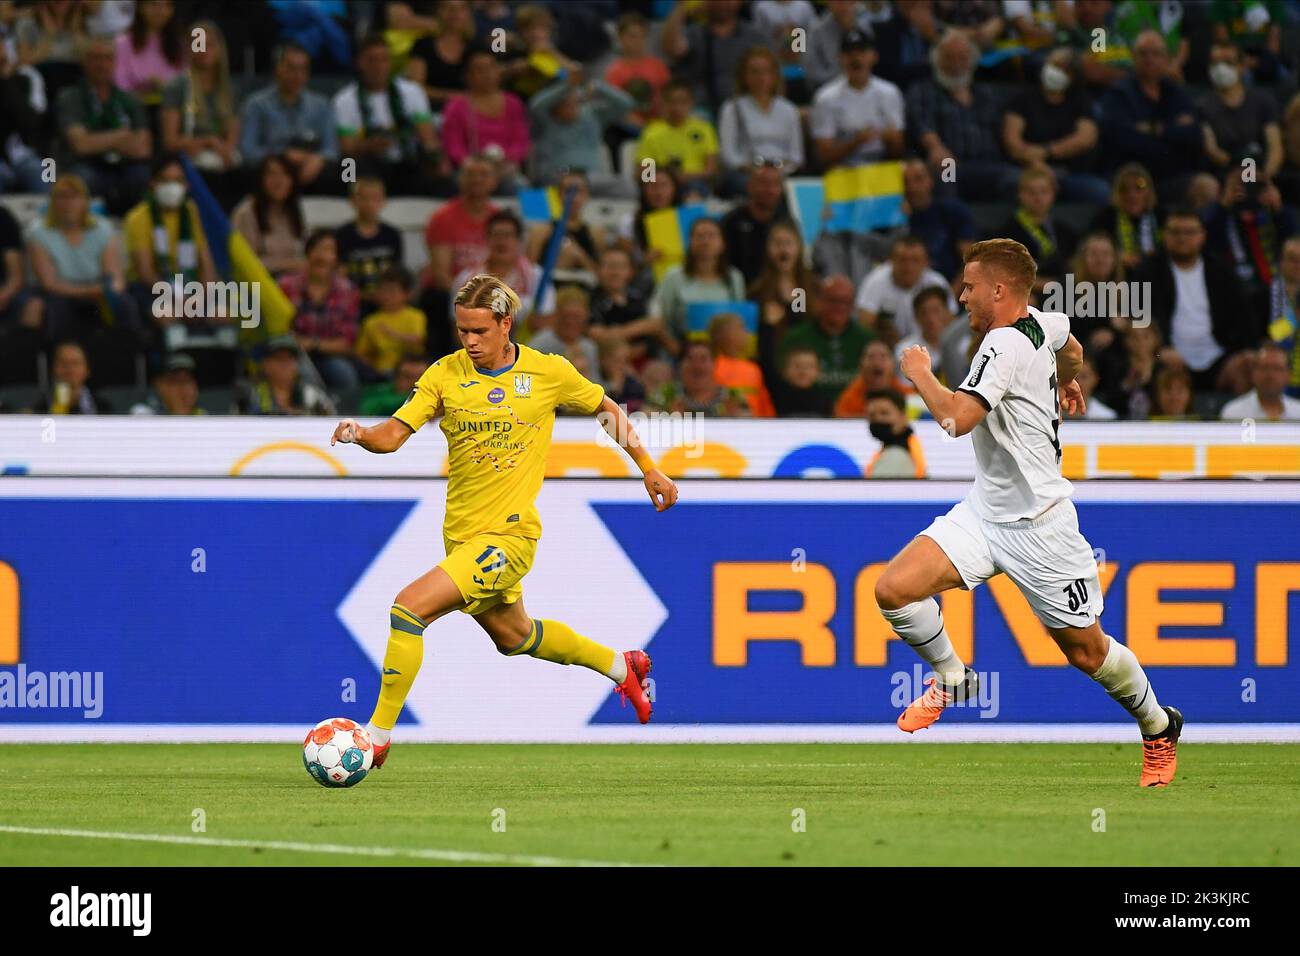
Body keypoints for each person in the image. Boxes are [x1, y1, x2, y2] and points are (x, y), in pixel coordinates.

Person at [329, 273, 679, 768]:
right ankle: (623, 666)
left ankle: (376, 737)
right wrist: (360, 434)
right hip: (463, 539)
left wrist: (649, 467)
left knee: (409, 609)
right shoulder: (443, 376)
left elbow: (604, 409)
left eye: (479, 331)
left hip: (510, 538)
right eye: (462, 331)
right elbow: (393, 434)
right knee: (516, 639)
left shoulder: (547, 372)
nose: (469, 341)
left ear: (505, 324)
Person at [878, 238, 1182, 787]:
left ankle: (1159, 727)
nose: (962, 295)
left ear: (999, 289)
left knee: (1088, 654)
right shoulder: (1042, 323)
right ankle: (954, 678)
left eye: (969, 286)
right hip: (984, 513)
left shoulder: (1002, 346)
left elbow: (955, 421)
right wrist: (1063, 378)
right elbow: (1074, 349)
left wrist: (918, 370)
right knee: (894, 589)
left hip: (1041, 528)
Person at [334, 34, 448, 197]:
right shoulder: (344, 100)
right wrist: (368, 147)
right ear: (360, 63)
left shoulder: (412, 92)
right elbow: (346, 148)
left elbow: (428, 137)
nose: (378, 66)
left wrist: (438, 159)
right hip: (369, 163)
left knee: (435, 163)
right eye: (372, 60)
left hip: (406, 160)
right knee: (348, 166)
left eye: (383, 59)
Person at [57, 38, 153, 216]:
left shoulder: (129, 99)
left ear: (115, 62)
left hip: (124, 165)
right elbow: (80, 145)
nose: (102, 64)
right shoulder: (70, 97)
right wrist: (122, 136)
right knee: (80, 179)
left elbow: (143, 148)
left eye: (107, 58)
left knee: (142, 176)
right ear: (84, 62)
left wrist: (97, 141)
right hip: (86, 165)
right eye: (95, 58)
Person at [159, 19, 241, 205]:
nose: (204, 49)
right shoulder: (178, 87)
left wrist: (225, 149)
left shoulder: (230, 89)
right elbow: (170, 141)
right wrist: (207, 142)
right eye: (199, 44)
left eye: (210, 44)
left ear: (220, 49)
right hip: (190, 156)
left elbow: (232, 138)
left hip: (220, 159)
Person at [239, 42, 339, 192]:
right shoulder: (256, 105)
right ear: (278, 69)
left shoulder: (322, 105)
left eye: (303, 69)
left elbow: (331, 149)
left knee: (346, 170)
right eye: (291, 68)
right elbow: (248, 151)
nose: (298, 75)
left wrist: (317, 159)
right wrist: (282, 156)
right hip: (270, 171)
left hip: (311, 170)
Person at [279, 230, 361, 391]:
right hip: (291, 355)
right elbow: (278, 330)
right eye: (318, 249)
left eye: (329, 250)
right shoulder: (286, 286)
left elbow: (347, 342)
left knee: (344, 374)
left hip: (331, 357)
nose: (322, 257)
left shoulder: (348, 290)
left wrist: (312, 344)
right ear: (308, 253)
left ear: (337, 258)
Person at [810, 30, 904, 170]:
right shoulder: (825, 98)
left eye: (862, 52)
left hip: (882, 168)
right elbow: (824, 156)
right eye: (849, 53)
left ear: (874, 56)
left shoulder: (890, 92)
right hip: (842, 171)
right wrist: (857, 141)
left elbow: (898, 151)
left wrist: (891, 140)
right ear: (839, 58)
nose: (856, 58)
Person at [440, 49, 531, 192]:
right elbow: (453, 144)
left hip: (506, 167)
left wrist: (509, 160)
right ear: (468, 76)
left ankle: (543, 214)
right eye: (480, 70)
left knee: (526, 189)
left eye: (491, 68)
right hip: (471, 168)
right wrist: (469, 163)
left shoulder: (514, 103)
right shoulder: (457, 106)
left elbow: (521, 140)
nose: (487, 74)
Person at [718, 46, 804, 192]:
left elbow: (796, 155)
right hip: (747, 173)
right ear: (744, 76)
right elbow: (728, 154)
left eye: (766, 71)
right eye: (754, 72)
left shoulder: (788, 109)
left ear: (774, 75)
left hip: (782, 172)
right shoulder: (732, 108)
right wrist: (756, 171)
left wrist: (778, 172)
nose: (761, 77)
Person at [778, 274, 872, 406]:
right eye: (833, 300)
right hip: (805, 412)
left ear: (853, 305)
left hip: (854, 414)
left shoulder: (867, 339)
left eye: (845, 301)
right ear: (819, 301)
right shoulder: (796, 337)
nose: (839, 307)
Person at [635, 81, 719, 193]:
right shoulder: (651, 132)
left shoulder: (704, 129)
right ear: (663, 103)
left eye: (683, 102)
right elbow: (646, 174)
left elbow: (711, 170)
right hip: (663, 187)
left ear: (691, 103)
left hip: (696, 184)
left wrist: (684, 176)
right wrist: (668, 179)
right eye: (672, 101)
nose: (677, 107)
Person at [231, 154, 307, 277]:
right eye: (272, 175)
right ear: (261, 180)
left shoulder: (293, 210)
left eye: (285, 175)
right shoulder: (246, 212)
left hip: (292, 282)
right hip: (257, 283)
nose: (279, 181)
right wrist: (290, 265)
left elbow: (301, 253)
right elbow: (244, 262)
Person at [335, 176, 404, 311]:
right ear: (353, 201)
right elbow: (339, 276)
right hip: (353, 300)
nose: (370, 203)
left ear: (383, 201)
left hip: (388, 302)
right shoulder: (342, 235)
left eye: (375, 198)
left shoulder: (392, 234)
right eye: (364, 198)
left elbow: (398, 272)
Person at [238, 334, 337, 416]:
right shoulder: (250, 396)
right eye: (278, 358)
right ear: (265, 364)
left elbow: (331, 426)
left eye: (290, 358)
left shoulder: (313, 396)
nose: (285, 364)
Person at [356, 266, 427, 377]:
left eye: (392, 291)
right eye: (383, 290)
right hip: (383, 372)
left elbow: (418, 339)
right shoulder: (371, 322)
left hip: (412, 370)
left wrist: (393, 334)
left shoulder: (416, 316)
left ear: (406, 294)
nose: (387, 295)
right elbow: (362, 353)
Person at [1220, 342, 1300, 421]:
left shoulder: (1297, 412)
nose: (1270, 375)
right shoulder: (1233, 413)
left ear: (1289, 375)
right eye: (1264, 368)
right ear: (1253, 372)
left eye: (1277, 369)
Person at [30, 341, 111, 414]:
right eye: (63, 363)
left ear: (87, 370)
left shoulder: (103, 408)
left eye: (75, 363)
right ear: (53, 369)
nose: (69, 369)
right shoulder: (38, 409)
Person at [864, 387, 926, 478]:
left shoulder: (895, 456)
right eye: (872, 415)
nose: (878, 419)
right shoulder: (907, 447)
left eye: (884, 413)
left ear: (903, 416)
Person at [130, 352, 204, 415]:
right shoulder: (144, 418)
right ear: (160, 386)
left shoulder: (207, 419)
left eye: (187, 382)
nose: (182, 389)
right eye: (175, 382)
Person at [359, 353, 429, 418]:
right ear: (396, 378)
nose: (415, 382)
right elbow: (369, 409)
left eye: (420, 377)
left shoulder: (436, 401)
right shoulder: (376, 393)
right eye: (407, 376)